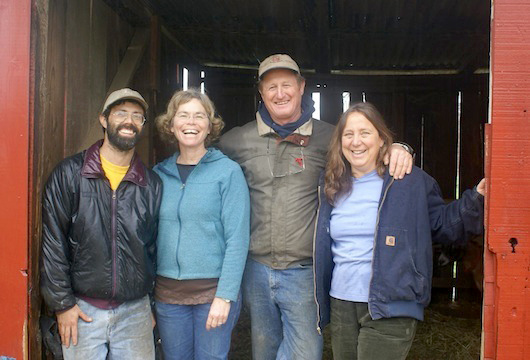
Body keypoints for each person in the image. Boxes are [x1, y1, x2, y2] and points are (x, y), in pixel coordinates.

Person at [218, 54, 414, 359]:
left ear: (301, 87)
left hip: (304, 272)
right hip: (255, 270)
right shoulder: (237, 141)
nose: (280, 93)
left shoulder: (330, 138)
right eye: (271, 87)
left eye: (287, 85)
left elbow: (367, 150)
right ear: (261, 93)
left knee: (305, 353)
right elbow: (200, 159)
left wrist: (401, 148)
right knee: (264, 350)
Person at [314, 102, 485, 360]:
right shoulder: (332, 185)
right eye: (348, 135)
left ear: (382, 140)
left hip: (391, 303)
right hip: (342, 304)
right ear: (340, 143)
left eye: (365, 133)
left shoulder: (408, 181)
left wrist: (476, 200)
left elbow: (442, 225)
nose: (356, 141)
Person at [40, 88, 162, 359]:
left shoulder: (151, 184)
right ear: (104, 120)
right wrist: (62, 305)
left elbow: (154, 250)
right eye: (120, 113)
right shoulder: (69, 175)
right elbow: (53, 244)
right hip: (82, 311)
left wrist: (150, 306)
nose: (129, 121)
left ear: (142, 124)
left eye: (137, 116)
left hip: (135, 312)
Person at [153, 89, 250, 360]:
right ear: (171, 126)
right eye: (183, 116)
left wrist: (225, 296)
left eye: (199, 116)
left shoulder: (228, 172)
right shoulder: (158, 175)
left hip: (212, 295)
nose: (191, 122)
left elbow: (237, 239)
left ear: (210, 126)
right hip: (168, 296)